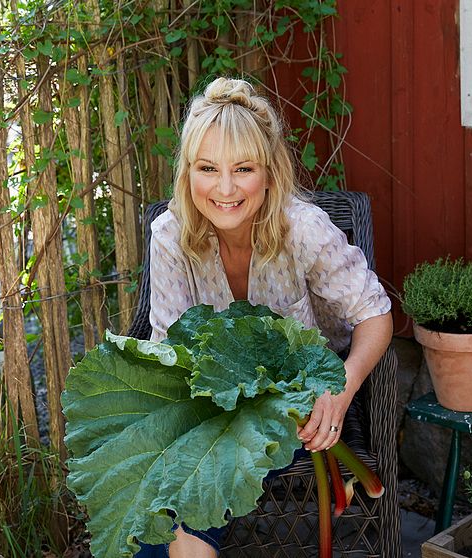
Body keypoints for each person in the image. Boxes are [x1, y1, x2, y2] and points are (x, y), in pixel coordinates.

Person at [141, 77, 393, 558]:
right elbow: (166, 348)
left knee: (180, 501)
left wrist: (342, 388)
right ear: (188, 172)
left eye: (244, 168)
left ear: (270, 172)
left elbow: (375, 314)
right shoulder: (170, 236)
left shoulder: (303, 228)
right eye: (208, 168)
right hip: (214, 406)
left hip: (297, 409)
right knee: (151, 492)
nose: (225, 188)